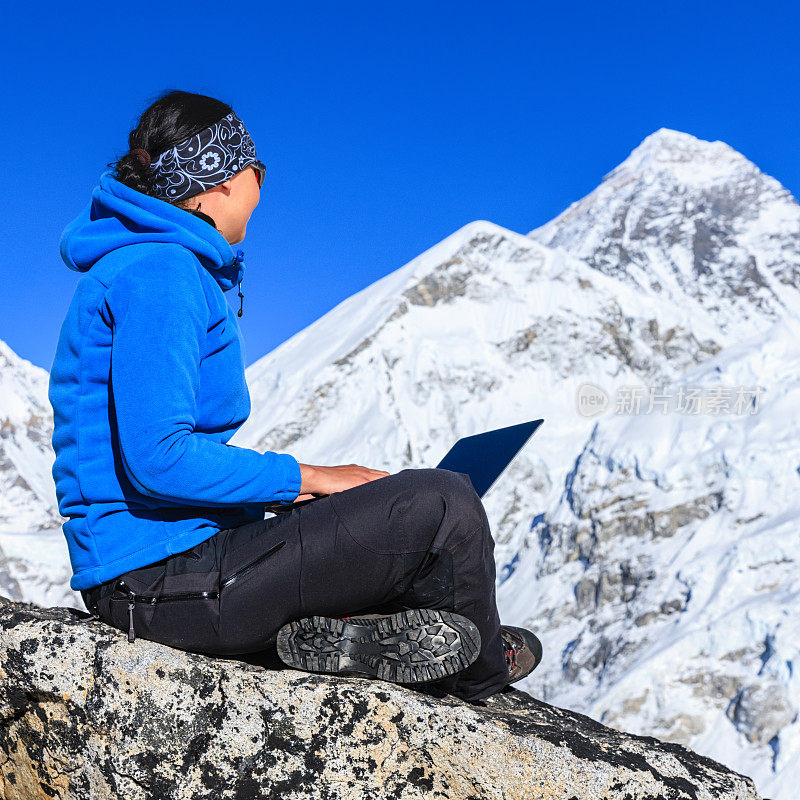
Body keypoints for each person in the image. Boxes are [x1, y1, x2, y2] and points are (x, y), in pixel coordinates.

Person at [49, 89, 541, 704]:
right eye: (256, 166)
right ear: (219, 180)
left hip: (180, 567)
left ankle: (361, 636)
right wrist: (311, 476)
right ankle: (475, 666)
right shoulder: (160, 273)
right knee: (443, 504)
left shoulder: (156, 267)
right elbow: (159, 458)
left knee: (381, 508)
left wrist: (302, 492)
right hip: (156, 584)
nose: (263, 180)